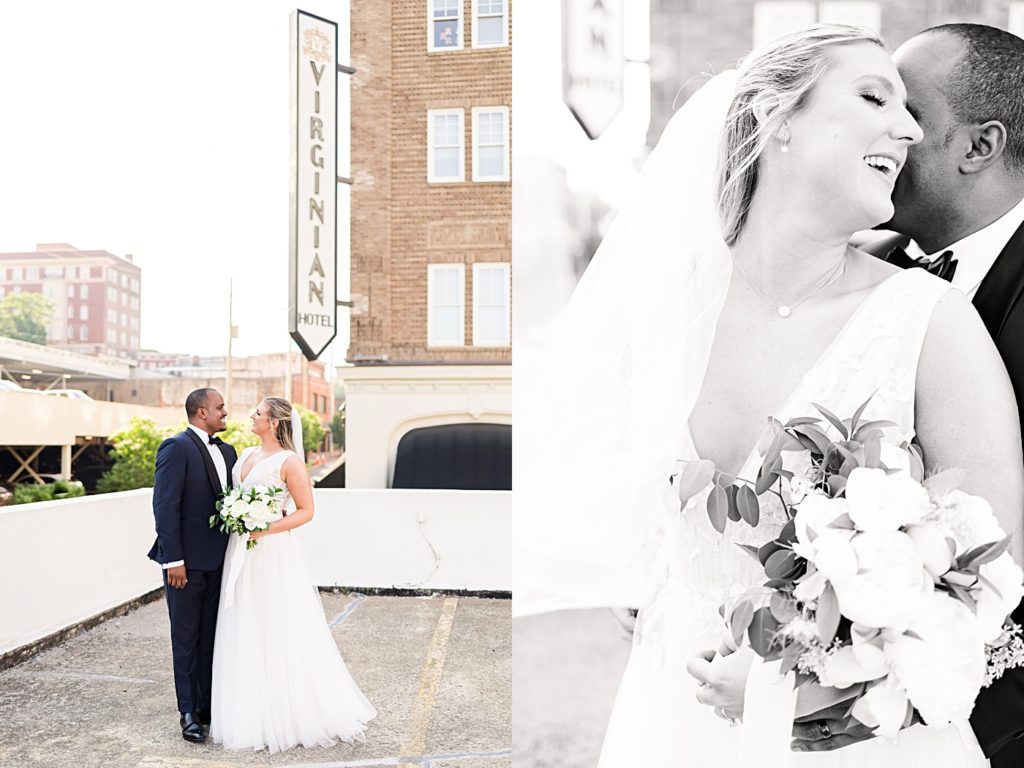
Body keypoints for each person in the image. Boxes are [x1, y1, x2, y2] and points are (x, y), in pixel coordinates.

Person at [514, 23, 1024, 766]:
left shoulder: (930, 319)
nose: (906, 128)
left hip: (847, 729)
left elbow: (992, 568)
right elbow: (625, 485)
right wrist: (657, 570)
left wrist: (816, 681)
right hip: (671, 703)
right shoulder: (671, 301)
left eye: (913, 110)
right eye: (875, 96)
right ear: (776, 116)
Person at [794, 23, 1024, 764]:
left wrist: (922, 687)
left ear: (978, 146)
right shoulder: (863, 272)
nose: (884, 131)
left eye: (908, 112)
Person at [209, 396, 376, 753]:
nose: (251, 416)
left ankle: (286, 711)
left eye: (257, 413)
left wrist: (265, 527)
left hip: (271, 552)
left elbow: (306, 511)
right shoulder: (245, 456)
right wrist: (237, 517)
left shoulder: (289, 462)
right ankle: (248, 707)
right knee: (245, 623)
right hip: (241, 549)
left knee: (275, 625)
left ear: (273, 423)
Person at [149, 387, 236, 743]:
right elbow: (165, 507)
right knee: (185, 638)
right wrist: (174, 560)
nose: (225, 413)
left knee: (211, 637)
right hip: (183, 564)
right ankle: (187, 713)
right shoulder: (176, 447)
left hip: (221, 562)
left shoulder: (228, 451)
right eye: (220, 408)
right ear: (202, 413)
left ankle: (206, 705)